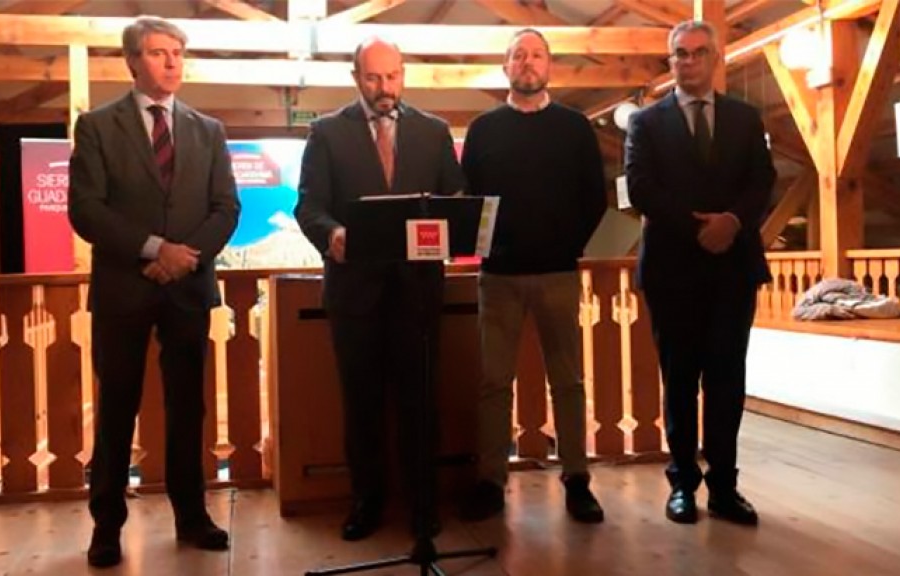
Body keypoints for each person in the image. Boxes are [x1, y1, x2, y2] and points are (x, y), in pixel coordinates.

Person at [68, 16, 240, 567]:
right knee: (117, 407)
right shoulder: (97, 126)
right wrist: (152, 249)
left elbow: (226, 208)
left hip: (188, 286)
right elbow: (86, 209)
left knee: (189, 407)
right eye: (159, 52)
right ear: (132, 61)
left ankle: (192, 517)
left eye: (178, 53)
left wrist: (183, 257)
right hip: (124, 288)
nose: (171, 62)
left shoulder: (208, 130)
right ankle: (107, 527)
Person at [294, 37, 464, 541]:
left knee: (421, 403)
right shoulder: (326, 132)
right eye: (373, 77)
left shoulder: (434, 132)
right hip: (355, 295)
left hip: (418, 294)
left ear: (403, 75)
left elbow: (455, 197)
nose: (384, 87)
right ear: (356, 78)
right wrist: (331, 234)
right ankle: (366, 501)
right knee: (361, 403)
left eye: (392, 76)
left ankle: (423, 504)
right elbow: (309, 206)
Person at [625, 20, 776, 526]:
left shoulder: (745, 118)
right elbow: (641, 188)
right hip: (672, 271)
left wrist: (732, 222)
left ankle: (725, 487)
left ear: (715, 58)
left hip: (734, 269)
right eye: (679, 54)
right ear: (670, 61)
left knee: (728, 380)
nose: (688, 61)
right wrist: (701, 230)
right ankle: (682, 484)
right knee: (680, 380)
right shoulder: (645, 123)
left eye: (697, 52)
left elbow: (763, 180)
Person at [459, 28, 607, 524]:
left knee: (568, 381)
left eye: (537, 54)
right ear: (506, 67)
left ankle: (577, 480)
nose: (528, 62)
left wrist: (569, 247)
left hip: (558, 273)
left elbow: (595, 198)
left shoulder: (575, 127)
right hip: (498, 275)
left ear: (549, 67)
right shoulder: (483, 129)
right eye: (518, 55)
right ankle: (490, 482)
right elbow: (469, 199)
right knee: (493, 383)